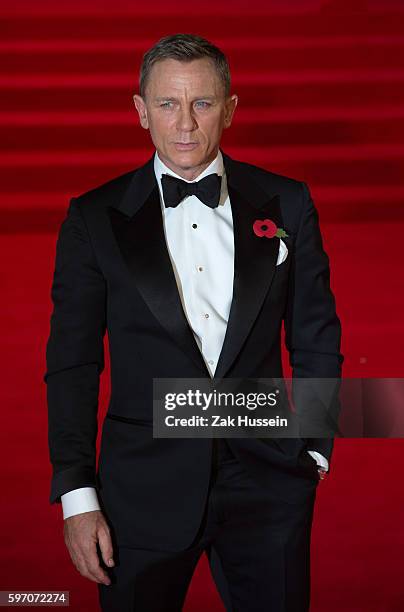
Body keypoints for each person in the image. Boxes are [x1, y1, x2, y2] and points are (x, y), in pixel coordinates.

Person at [44, 33, 343, 611]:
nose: (185, 123)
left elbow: (315, 333)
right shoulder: (92, 218)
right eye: (167, 104)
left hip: (268, 481)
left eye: (202, 104)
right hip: (141, 489)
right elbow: (73, 363)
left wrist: (314, 447)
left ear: (230, 110)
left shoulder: (287, 203)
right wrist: (78, 496)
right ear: (140, 111)